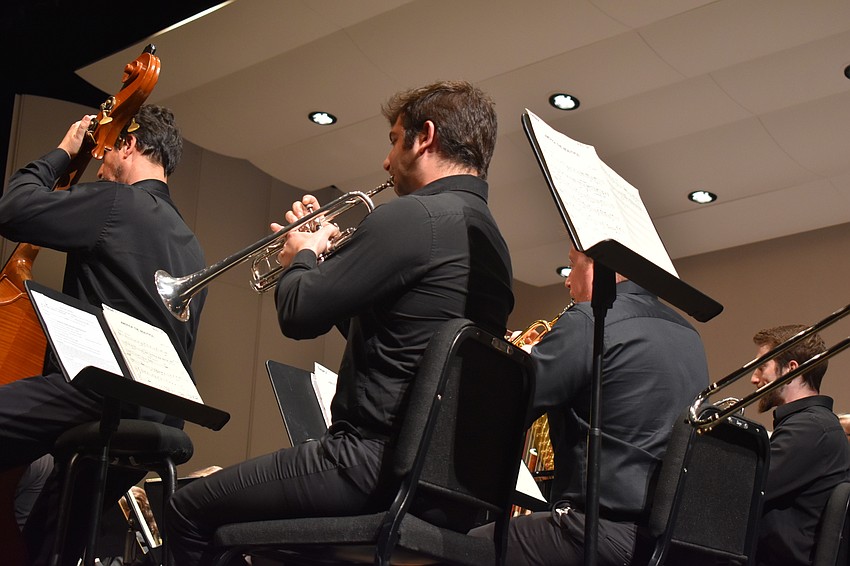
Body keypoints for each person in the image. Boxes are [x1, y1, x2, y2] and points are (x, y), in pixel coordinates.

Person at [165, 80, 514, 565]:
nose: (387, 162)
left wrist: (302, 255)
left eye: (394, 140)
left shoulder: (414, 217)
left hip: (368, 464)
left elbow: (298, 314)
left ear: (425, 136)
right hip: (443, 489)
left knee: (185, 508)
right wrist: (324, 267)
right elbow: (398, 339)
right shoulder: (492, 245)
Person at [0, 104, 206, 564]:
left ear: (128, 145)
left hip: (101, 394)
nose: (99, 162)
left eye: (105, 152)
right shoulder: (193, 247)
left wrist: (62, 153)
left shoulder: (117, 203)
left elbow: (12, 209)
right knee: (48, 543)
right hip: (158, 420)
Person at [471, 245, 709, 565]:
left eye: (572, 266)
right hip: (663, 545)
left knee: (461, 547)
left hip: (593, 535)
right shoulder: (689, 334)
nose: (567, 282)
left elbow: (505, 408)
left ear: (601, 266)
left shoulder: (590, 319)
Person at [750, 325, 850, 566]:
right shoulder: (809, 425)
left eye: (762, 367)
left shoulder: (810, 428)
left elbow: (745, 486)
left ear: (791, 369)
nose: (754, 378)